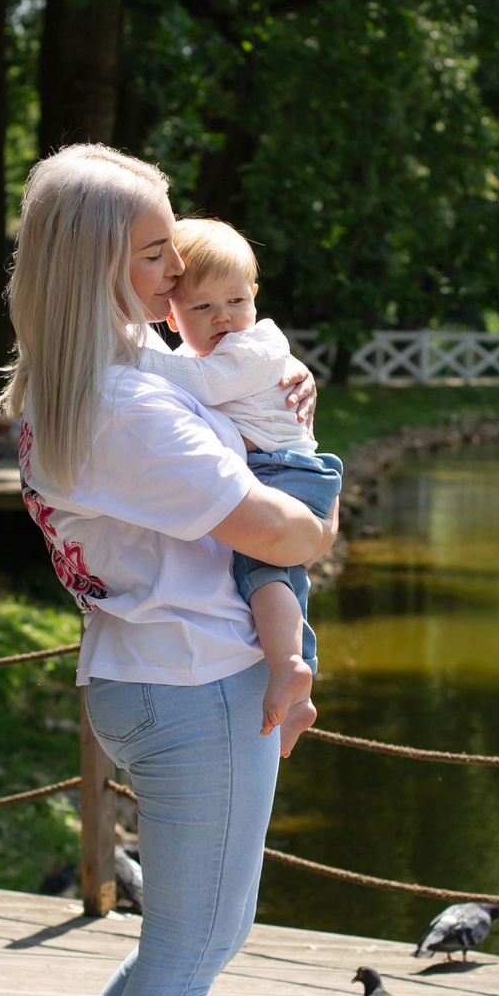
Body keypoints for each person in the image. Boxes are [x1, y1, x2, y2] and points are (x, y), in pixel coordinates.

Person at [0, 143, 330, 996]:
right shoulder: (127, 409)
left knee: (179, 948)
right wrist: (316, 506)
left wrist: (279, 392)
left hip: (140, 677)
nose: (172, 270)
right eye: (151, 253)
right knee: (191, 952)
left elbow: (226, 406)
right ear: (96, 262)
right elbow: (285, 533)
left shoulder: (75, 375)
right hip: (197, 683)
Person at [135, 218, 339, 754]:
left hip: (287, 472)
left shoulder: (258, 346)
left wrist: (119, 355)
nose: (223, 316)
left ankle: (286, 666)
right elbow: (190, 377)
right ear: (173, 318)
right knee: (286, 581)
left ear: (254, 296)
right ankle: (297, 692)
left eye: (234, 300)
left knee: (261, 569)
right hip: (281, 469)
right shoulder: (195, 359)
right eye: (201, 308)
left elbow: (202, 385)